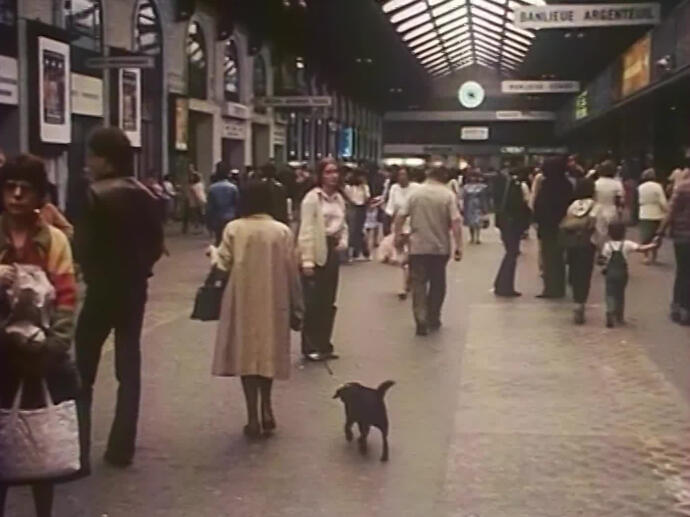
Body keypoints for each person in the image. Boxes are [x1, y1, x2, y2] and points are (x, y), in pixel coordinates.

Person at [74, 127, 164, 469]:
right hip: (134, 288)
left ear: (105, 159)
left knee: (84, 366)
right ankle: (121, 446)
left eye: (92, 156)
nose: (88, 163)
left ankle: (78, 446)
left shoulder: (93, 194)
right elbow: (156, 244)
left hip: (101, 289)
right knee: (129, 365)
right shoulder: (146, 193)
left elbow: (82, 247)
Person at [0, 154, 79, 517]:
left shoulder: (55, 241)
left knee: (40, 438)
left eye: (25, 189)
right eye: (10, 187)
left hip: (39, 355)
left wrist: (56, 345)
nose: (16, 195)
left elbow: (66, 297)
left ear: (38, 196)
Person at [211, 180, 303, 438]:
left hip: (241, 301)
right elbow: (292, 272)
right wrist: (298, 307)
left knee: (246, 359)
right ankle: (268, 407)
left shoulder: (234, 229)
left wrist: (212, 254)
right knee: (267, 356)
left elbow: (222, 263)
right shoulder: (281, 231)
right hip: (274, 301)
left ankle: (252, 415)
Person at [394, 167, 463, 336]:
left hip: (417, 246)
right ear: (444, 178)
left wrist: (398, 235)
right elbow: (455, 221)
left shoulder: (415, 194)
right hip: (440, 247)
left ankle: (420, 318)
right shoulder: (447, 195)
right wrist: (459, 245)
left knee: (418, 283)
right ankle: (434, 316)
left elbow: (400, 216)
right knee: (438, 283)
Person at [298, 158, 348, 361]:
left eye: (335, 171)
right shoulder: (312, 199)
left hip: (332, 250)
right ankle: (310, 345)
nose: (333, 176)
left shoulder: (338, 198)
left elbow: (343, 223)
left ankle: (324, 343)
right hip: (317, 248)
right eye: (328, 172)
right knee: (313, 301)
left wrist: (343, 242)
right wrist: (307, 260)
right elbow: (306, 230)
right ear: (320, 175)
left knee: (328, 300)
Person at [601, 221, 658, 328]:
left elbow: (603, 260)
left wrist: (604, 267)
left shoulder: (607, 245)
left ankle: (610, 311)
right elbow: (641, 248)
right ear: (624, 233)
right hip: (622, 273)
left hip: (610, 273)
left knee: (610, 293)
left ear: (609, 233)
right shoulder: (627, 244)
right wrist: (653, 245)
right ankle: (619, 316)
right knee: (620, 294)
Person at [655, 165, 690, 325]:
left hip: (682, 236)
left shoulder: (683, 188)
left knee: (683, 272)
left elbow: (671, 212)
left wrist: (659, 233)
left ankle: (679, 307)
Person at [534, 157, 573, 299]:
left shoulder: (546, 185)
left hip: (547, 227)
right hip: (562, 225)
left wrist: (537, 220)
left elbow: (539, 204)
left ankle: (550, 288)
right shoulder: (567, 185)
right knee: (559, 258)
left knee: (548, 257)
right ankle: (559, 287)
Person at [562, 178, 599, 324]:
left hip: (572, 244)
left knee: (573, 272)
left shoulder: (572, 206)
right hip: (587, 244)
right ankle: (580, 303)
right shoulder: (595, 206)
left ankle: (576, 299)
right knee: (585, 274)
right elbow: (599, 228)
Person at [493, 167, 532, 297]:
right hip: (514, 223)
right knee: (512, 253)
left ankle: (501, 284)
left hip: (504, 221)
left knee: (510, 252)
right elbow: (526, 204)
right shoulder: (519, 186)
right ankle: (505, 285)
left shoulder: (501, 185)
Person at [385, 167, 419, 299]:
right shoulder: (394, 188)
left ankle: (409, 279)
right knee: (400, 257)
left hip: (414, 226)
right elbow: (390, 208)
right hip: (399, 225)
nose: (402, 177)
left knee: (412, 256)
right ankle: (402, 286)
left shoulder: (416, 188)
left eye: (404, 175)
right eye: (399, 175)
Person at [637, 168, 668, 264]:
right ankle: (654, 256)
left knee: (645, 236)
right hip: (656, 213)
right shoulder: (658, 186)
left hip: (644, 213)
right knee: (656, 236)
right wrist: (666, 210)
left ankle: (645, 256)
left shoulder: (640, 187)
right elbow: (662, 201)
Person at [593, 160, 624, 250]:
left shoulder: (596, 183)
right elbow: (620, 200)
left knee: (599, 234)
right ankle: (610, 252)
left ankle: (600, 252)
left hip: (598, 209)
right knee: (612, 234)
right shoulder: (617, 184)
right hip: (612, 209)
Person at [206, 162, 240, 245]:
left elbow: (210, 206)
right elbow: (237, 203)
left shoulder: (212, 188)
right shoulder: (233, 187)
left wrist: (208, 220)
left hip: (217, 217)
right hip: (231, 216)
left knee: (219, 238)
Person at [344, 169, 370, 261]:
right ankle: (350, 252)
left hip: (362, 208)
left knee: (359, 230)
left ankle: (358, 252)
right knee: (352, 230)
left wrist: (363, 188)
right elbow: (348, 198)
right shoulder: (349, 187)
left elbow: (367, 197)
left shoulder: (365, 187)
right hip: (352, 207)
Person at [463, 169, 489, 244]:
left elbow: (484, 198)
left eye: (475, 177)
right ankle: (472, 237)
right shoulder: (466, 187)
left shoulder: (482, 187)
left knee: (478, 222)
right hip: (469, 206)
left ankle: (477, 237)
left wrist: (485, 208)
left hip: (478, 205)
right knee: (470, 223)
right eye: (472, 177)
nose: (473, 178)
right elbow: (464, 198)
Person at [183, 168, 206, 234]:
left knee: (196, 216)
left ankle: (197, 229)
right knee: (200, 216)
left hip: (195, 202)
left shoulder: (193, 186)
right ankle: (200, 229)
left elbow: (196, 195)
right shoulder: (200, 184)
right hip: (201, 200)